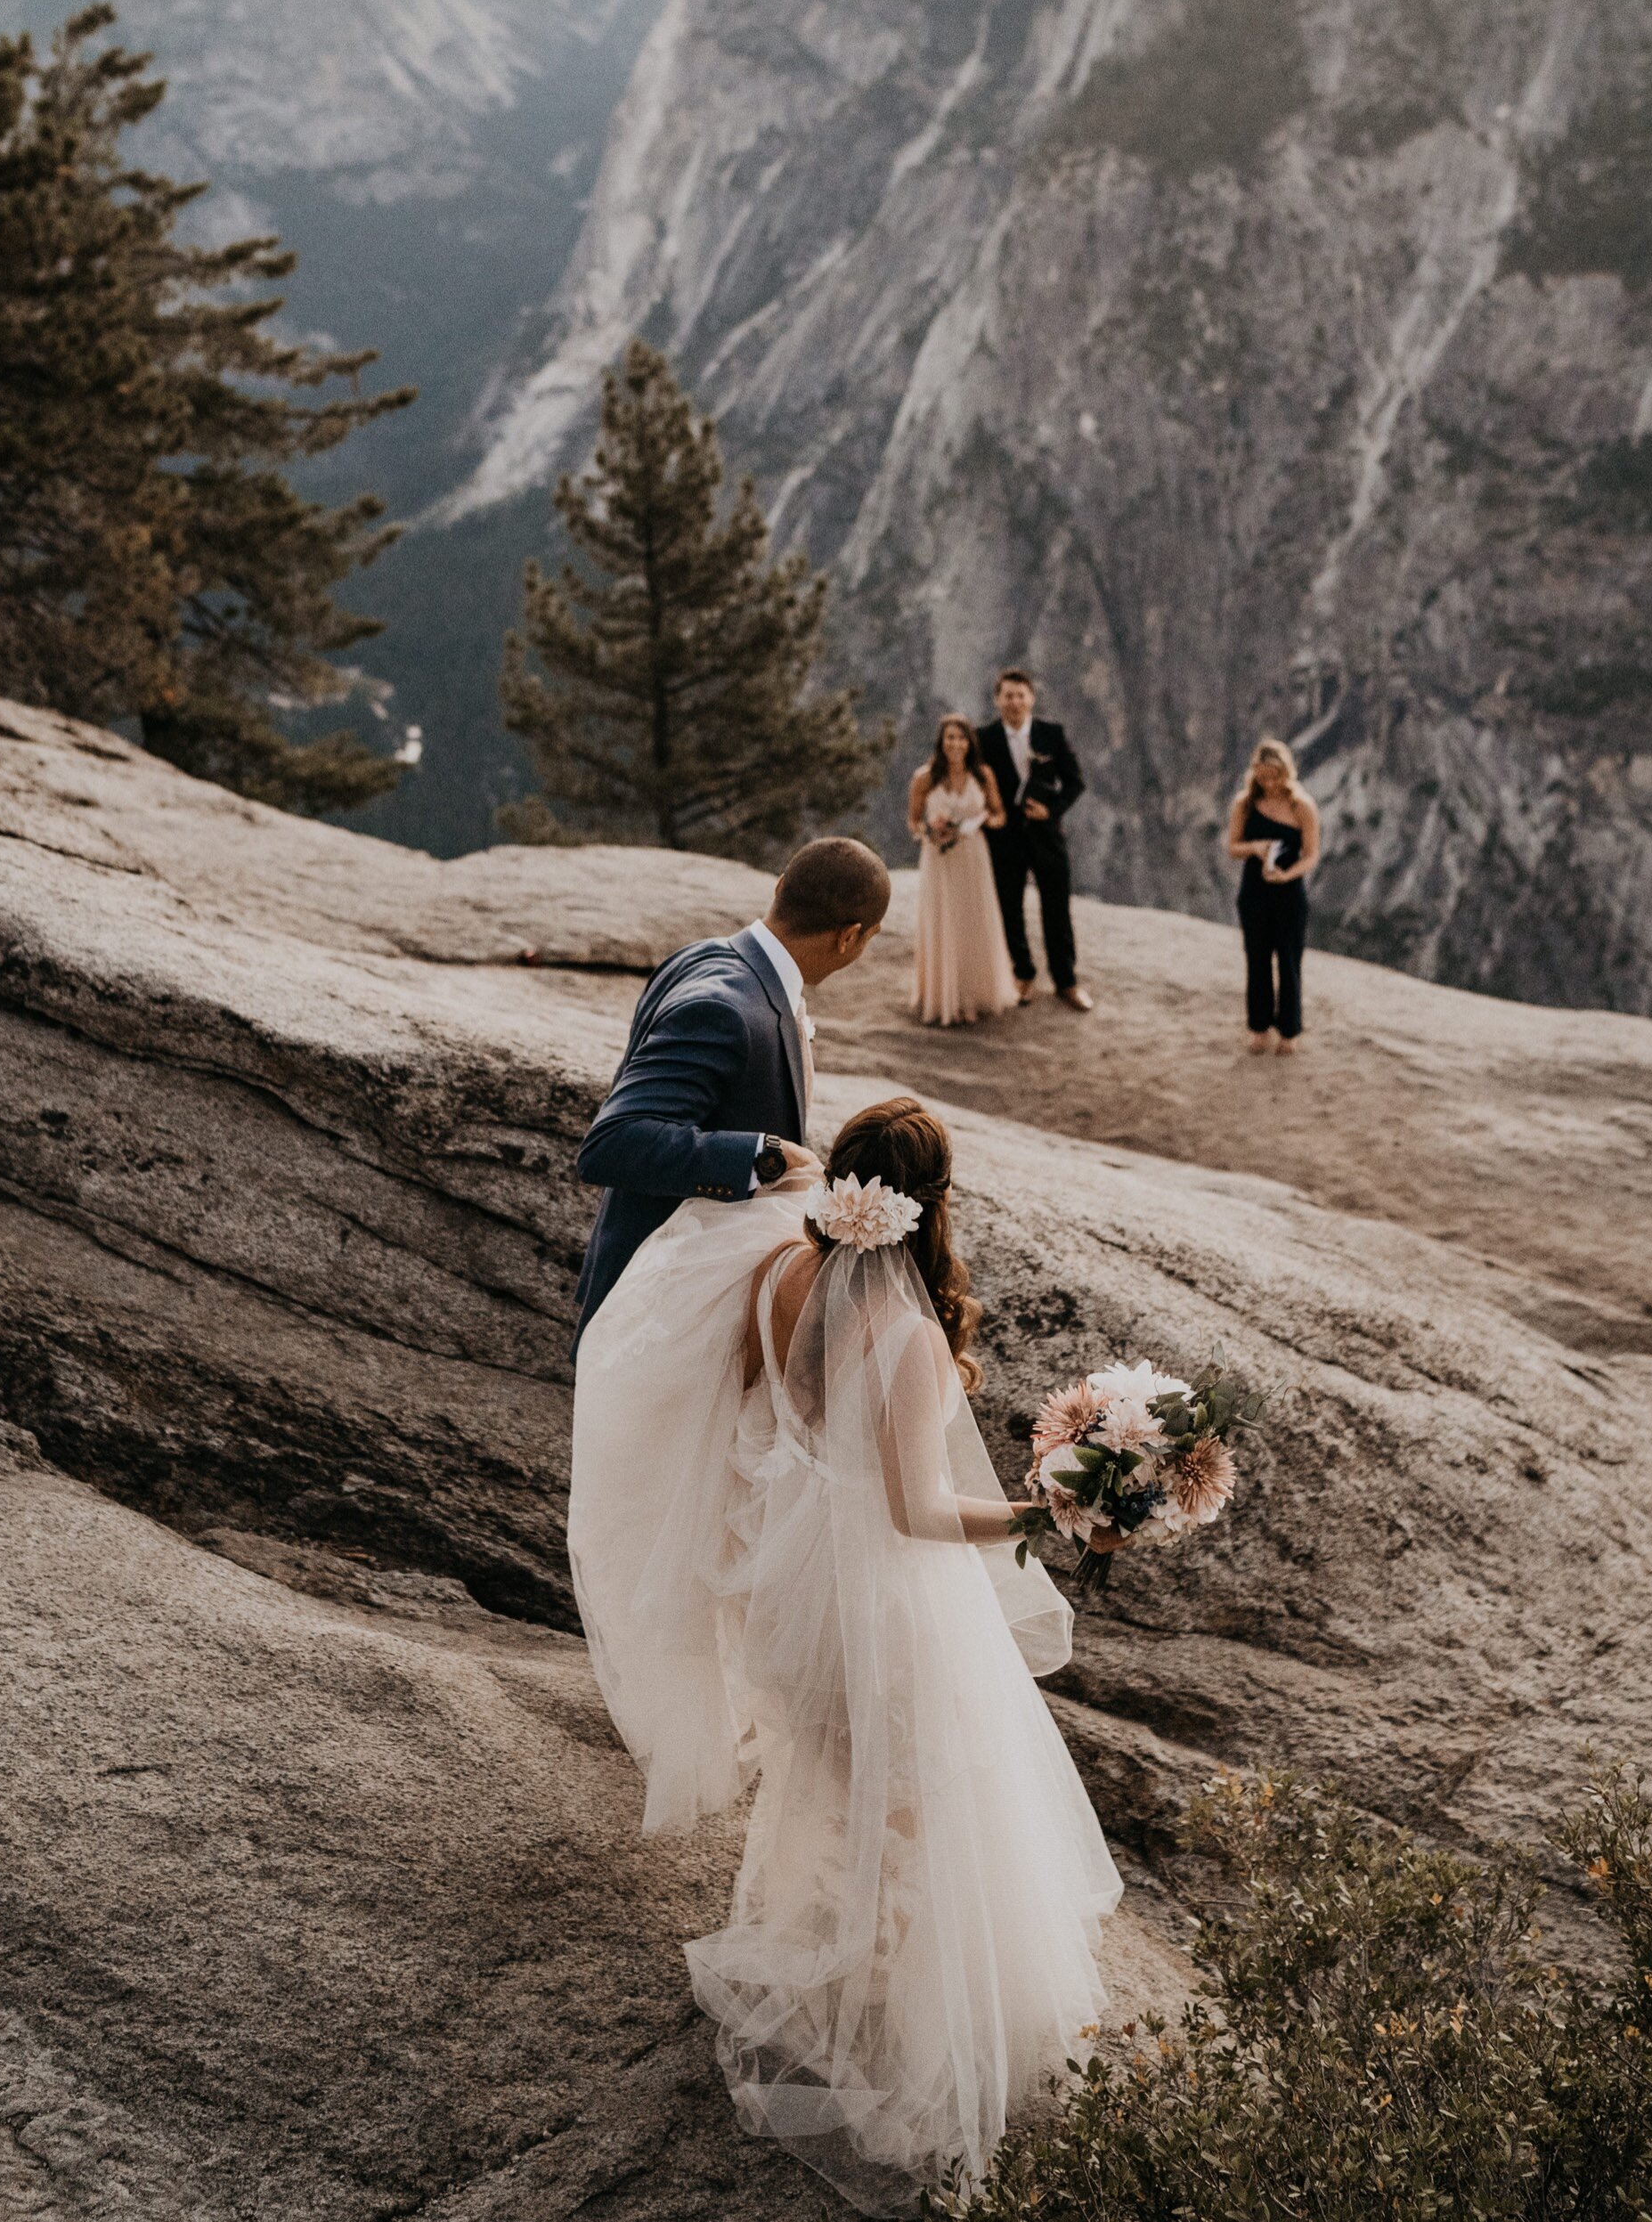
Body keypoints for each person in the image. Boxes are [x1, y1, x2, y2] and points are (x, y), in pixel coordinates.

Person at [569, 1093, 1120, 2214]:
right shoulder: (908, 1332)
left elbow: (758, 1413)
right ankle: (910, 2029)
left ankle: (845, 1972)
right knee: (919, 1804)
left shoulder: (778, 1273)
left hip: (784, 1581)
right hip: (875, 1596)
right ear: (931, 1203)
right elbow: (916, 1511)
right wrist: (1036, 1515)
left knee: (829, 1777)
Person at [570, 836, 891, 1351]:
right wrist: (762, 1156)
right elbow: (614, 1142)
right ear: (849, 937)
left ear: (781, 888)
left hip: (691, 1308)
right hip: (659, 1321)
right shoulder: (727, 1009)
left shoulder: (698, 956)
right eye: (870, 939)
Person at [977, 668, 1093, 1011]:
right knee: (1009, 908)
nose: (1014, 702)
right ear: (998, 700)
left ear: (1031, 698)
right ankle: (1023, 974)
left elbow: (1075, 782)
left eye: (1020, 695)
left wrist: (1051, 810)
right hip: (1005, 839)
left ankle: (1066, 981)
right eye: (1008, 696)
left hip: (1047, 837)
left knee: (1057, 909)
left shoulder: (1051, 734)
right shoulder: (984, 739)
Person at [906, 712, 1016, 1026]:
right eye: (950, 737)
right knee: (943, 920)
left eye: (961, 738)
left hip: (972, 855)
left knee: (973, 922)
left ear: (970, 742)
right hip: (938, 858)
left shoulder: (983, 775)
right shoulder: (924, 778)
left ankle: (973, 994)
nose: (955, 744)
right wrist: (929, 830)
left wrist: (976, 823)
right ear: (942, 742)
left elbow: (999, 815)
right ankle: (941, 997)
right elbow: (913, 821)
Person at [1225, 737, 1321, 1054]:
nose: (1269, 783)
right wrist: (1254, 848)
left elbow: (1311, 854)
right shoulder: (1245, 804)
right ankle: (1259, 1026)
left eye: (1274, 776)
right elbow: (1232, 847)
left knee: (1290, 963)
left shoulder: (1302, 806)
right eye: (1263, 777)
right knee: (1257, 959)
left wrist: (1287, 874)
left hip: (1289, 894)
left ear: (1286, 773)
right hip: (1254, 892)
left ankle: (1290, 1031)